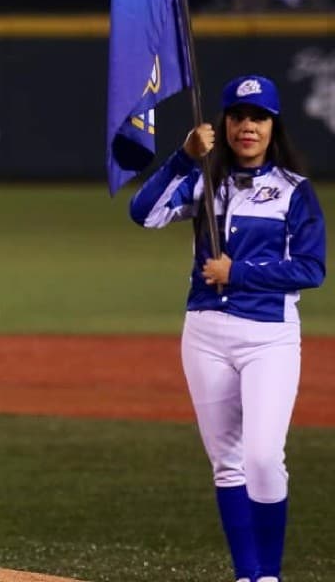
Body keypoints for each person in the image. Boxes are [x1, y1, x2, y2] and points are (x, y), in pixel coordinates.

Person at [130, 75, 325, 582]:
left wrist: (236, 272)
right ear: (224, 122)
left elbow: (311, 269)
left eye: (257, 118)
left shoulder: (294, 192)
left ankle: (271, 573)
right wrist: (183, 156)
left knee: (263, 458)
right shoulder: (204, 180)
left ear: (273, 125)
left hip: (269, 336)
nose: (246, 127)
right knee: (228, 463)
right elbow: (143, 213)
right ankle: (248, 575)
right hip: (206, 333)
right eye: (237, 116)